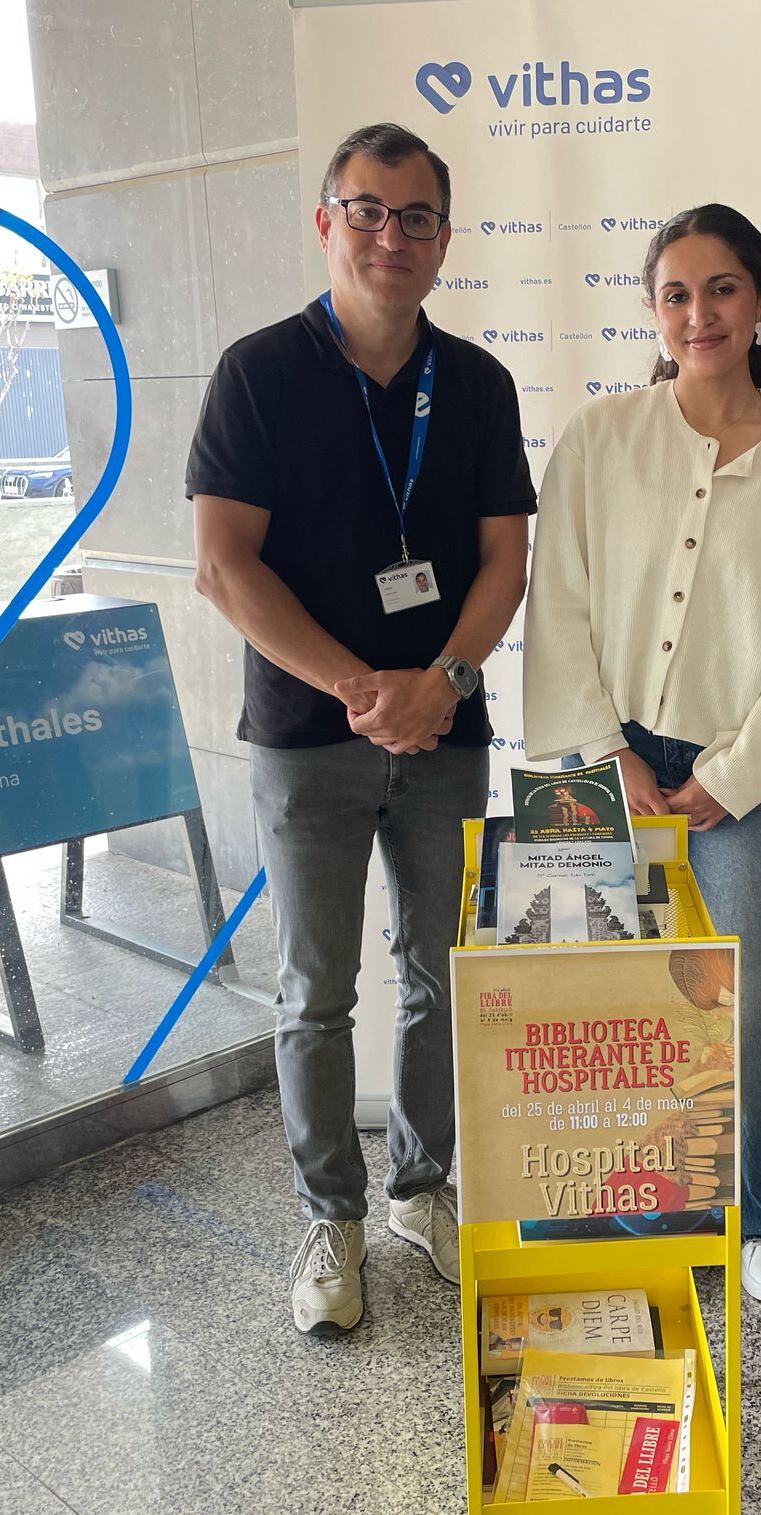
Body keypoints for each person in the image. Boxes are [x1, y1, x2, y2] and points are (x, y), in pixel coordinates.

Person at [188, 122, 534, 1338]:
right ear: (326, 222)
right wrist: (359, 687)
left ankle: (419, 1189)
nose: (393, 236)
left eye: (417, 216)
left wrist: (441, 679)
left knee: (440, 977)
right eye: (368, 211)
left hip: (444, 734)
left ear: (444, 235)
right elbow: (223, 566)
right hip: (308, 738)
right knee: (315, 991)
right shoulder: (257, 374)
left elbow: (504, 561)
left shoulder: (476, 385)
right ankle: (329, 1216)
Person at [525, 204, 761, 1305]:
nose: (698, 313)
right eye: (675, 293)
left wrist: (728, 774)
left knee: (745, 998)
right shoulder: (599, 439)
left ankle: (755, 1206)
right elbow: (559, 601)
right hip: (603, 758)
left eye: (721, 288)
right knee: (600, 1000)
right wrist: (602, 751)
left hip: (739, 771)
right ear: (652, 310)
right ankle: (609, 1206)